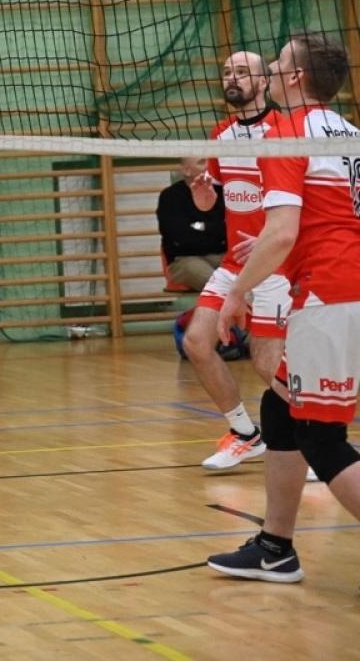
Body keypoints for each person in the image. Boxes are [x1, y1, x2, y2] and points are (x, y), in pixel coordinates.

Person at [207, 32, 360, 582]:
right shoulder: (350, 133)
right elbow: (328, 218)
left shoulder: (287, 132)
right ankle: (276, 546)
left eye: (276, 64)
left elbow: (281, 232)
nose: (268, 71)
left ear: (295, 79)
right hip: (343, 289)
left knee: (322, 436)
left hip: (331, 294)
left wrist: (236, 291)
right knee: (281, 409)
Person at [174, 52, 297, 470]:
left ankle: (316, 444)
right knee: (196, 342)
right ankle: (246, 433)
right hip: (233, 263)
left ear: (264, 83)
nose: (232, 78)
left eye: (243, 72)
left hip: (275, 264)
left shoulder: (286, 133)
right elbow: (212, 200)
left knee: (267, 363)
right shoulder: (221, 135)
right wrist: (201, 190)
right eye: (227, 71)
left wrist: (264, 242)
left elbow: (300, 207)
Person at [155, 157, 226, 293]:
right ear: (186, 170)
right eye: (202, 162)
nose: (208, 166)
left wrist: (199, 227)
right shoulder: (170, 197)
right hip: (184, 260)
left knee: (250, 278)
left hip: (220, 255)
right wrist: (212, 230)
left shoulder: (222, 192)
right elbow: (179, 237)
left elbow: (228, 230)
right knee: (219, 285)